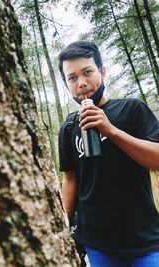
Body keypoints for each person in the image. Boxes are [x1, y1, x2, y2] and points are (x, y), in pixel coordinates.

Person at [58, 41, 159, 267]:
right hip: (98, 244)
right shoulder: (68, 127)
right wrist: (62, 226)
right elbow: (71, 179)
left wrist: (111, 131)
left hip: (146, 240)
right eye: (72, 78)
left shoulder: (131, 109)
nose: (81, 83)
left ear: (102, 72)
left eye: (87, 72)